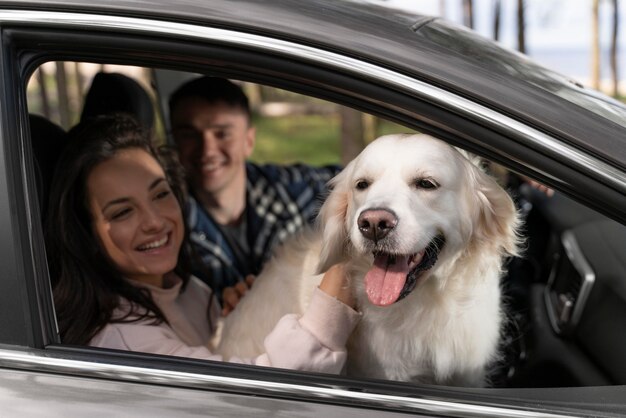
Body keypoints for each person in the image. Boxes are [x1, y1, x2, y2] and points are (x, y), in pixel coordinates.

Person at [45, 114, 360, 371]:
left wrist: (234, 320)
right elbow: (257, 397)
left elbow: (215, 361)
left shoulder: (189, 290)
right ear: (86, 234)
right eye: (123, 211)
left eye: (160, 194)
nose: (155, 221)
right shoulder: (123, 341)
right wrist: (335, 291)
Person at [168, 77, 341, 312]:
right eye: (189, 135)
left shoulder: (293, 189)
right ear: (173, 142)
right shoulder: (167, 223)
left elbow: (362, 183)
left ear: (248, 141)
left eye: (222, 134)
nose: (207, 150)